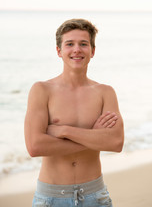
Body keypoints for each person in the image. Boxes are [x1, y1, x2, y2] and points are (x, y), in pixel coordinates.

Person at [24, 19, 124, 207]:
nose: (76, 49)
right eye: (69, 44)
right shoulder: (42, 90)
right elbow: (35, 146)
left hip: (95, 196)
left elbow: (116, 143)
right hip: (51, 198)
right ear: (59, 51)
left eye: (83, 44)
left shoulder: (105, 92)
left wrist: (64, 131)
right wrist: (94, 136)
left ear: (92, 51)